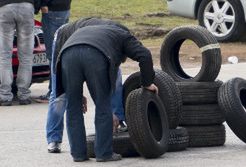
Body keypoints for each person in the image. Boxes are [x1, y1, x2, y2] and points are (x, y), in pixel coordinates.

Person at [55, 24, 158, 162]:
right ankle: (104, 153)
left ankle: (78, 154)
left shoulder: (94, 30)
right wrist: (147, 83)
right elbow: (144, 55)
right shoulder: (125, 36)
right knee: (103, 105)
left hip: (67, 55)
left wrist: (77, 94)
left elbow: (77, 51)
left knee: (73, 108)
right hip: (95, 56)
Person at [46, 18, 129, 154]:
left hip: (88, 44)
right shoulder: (116, 35)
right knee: (59, 95)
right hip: (64, 39)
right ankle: (54, 139)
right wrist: (75, 91)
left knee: (116, 76)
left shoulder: (115, 36)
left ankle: (118, 120)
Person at [35, 0, 71, 102]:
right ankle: (62, 88)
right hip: (64, 7)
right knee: (60, 50)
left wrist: (42, 4)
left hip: (52, 9)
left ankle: (54, 91)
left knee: (53, 53)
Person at [0, 0, 35, 106]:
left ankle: (5, 95)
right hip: (26, 6)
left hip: (5, 6)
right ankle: (24, 94)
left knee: (4, 55)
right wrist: (35, 6)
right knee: (26, 56)